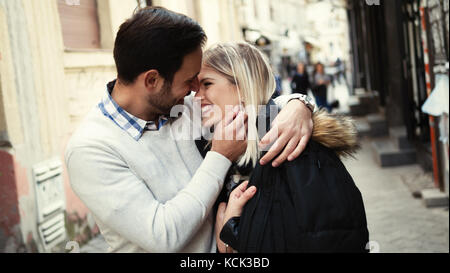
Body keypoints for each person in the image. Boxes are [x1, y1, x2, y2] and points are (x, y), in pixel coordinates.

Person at [65, 7, 315, 253]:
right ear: (152, 80)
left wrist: (298, 105)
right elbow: (162, 236)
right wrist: (220, 156)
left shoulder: (180, 105)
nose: (196, 89)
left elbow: (249, 103)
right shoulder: (91, 150)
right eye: (189, 79)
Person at [193, 42, 368, 253]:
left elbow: (335, 241)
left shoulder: (299, 152)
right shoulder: (218, 154)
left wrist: (231, 233)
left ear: (242, 87)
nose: (197, 97)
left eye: (207, 84)